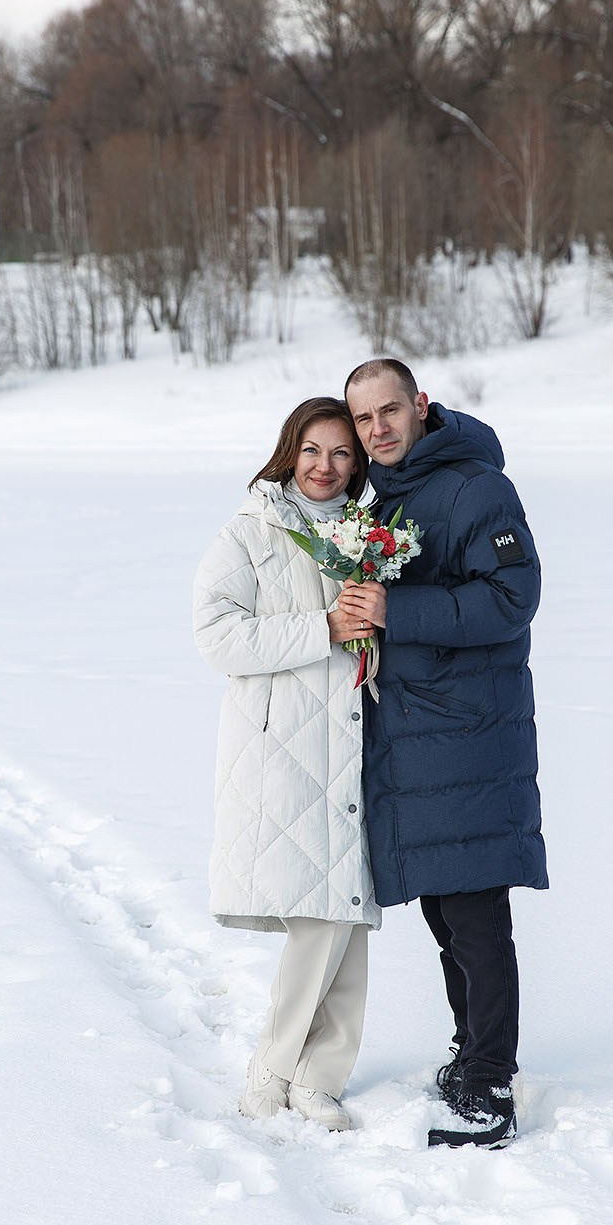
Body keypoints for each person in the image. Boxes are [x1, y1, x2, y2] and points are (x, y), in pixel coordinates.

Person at [336, 358, 546, 1149]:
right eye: (364, 419)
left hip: (469, 730)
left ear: (421, 406)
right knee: (442, 907)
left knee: (475, 911)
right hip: (413, 733)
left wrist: (397, 606)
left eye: (391, 410)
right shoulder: (379, 496)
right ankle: (469, 1050)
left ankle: (490, 1084)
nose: (378, 428)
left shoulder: (475, 488)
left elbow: (512, 596)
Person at [192, 397, 384, 1131]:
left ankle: (320, 1077)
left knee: (348, 912)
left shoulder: (372, 535)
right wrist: (324, 626)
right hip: (284, 743)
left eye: (341, 453)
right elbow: (218, 637)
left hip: (357, 738)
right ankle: (273, 1066)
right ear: (288, 452)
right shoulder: (251, 531)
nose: (325, 466)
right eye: (312, 450)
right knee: (318, 914)